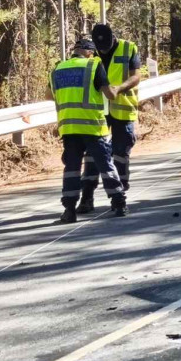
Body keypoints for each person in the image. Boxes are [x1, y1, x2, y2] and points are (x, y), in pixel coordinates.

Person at [48, 39, 128, 223]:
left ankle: (69, 210)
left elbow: (48, 95)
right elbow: (109, 94)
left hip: (69, 127)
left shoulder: (57, 68)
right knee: (105, 165)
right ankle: (119, 203)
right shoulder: (93, 65)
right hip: (92, 126)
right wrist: (117, 90)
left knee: (72, 169)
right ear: (90, 52)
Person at [77, 23, 141, 213]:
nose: (102, 49)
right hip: (98, 112)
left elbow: (136, 76)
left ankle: (119, 198)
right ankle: (87, 197)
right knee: (92, 155)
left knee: (120, 154)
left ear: (114, 37)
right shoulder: (91, 53)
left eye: (105, 46)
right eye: (99, 47)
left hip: (122, 109)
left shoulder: (129, 48)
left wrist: (119, 89)